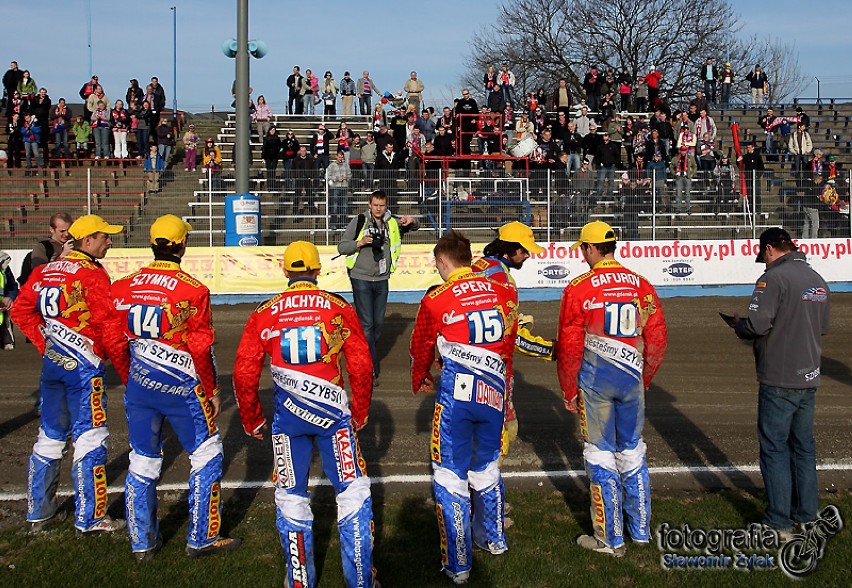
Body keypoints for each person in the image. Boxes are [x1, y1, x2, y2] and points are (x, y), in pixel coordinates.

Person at [233, 240, 378, 588]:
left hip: (288, 421)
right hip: (334, 417)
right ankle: (359, 579)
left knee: (291, 495)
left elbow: (244, 371)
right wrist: (359, 411)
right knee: (352, 491)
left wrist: (251, 417)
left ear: (285, 271)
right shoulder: (337, 307)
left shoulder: (265, 311)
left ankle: (299, 580)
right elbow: (360, 365)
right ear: (317, 271)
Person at [112, 215, 241, 561]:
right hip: (181, 388)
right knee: (207, 453)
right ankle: (202, 537)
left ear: (153, 244)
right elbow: (202, 348)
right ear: (183, 244)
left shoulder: (123, 286)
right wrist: (212, 390)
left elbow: (114, 341)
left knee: (142, 460)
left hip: (140, 387)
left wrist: (130, 377)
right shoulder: (193, 289)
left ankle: (142, 543)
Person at [409, 230, 518, 585]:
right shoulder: (502, 291)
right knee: (486, 468)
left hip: (456, 396)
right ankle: (494, 540)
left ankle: (458, 563)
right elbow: (509, 339)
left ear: (443, 262)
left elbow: (422, 344)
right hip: (494, 391)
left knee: (449, 476)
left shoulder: (437, 297)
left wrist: (420, 377)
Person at [11, 214, 130, 534]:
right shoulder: (92, 274)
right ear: (88, 240)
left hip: (54, 367)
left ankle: (39, 513)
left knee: (49, 438)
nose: (110, 241)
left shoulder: (44, 271)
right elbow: (111, 330)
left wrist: (45, 344)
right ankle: (91, 517)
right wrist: (127, 373)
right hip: (83, 370)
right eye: (106, 236)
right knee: (91, 439)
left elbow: (19, 310)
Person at [556, 220, 667, 557]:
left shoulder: (579, 287)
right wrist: (645, 377)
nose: (582, 254)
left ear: (591, 249)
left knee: (600, 455)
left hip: (596, 385)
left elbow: (570, 345)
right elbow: (657, 338)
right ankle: (642, 530)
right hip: (632, 381)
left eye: (583, 249)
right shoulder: (641, 285)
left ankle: (610, 538)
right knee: (633, 452)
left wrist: (568, 390)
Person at [730, 227, 829, 540]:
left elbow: (758, 325)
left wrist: (739, 326)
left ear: (770, 249)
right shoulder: (817, 279)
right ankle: (807, 516)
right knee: (803, 448)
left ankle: (778, 522)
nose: (764, 261)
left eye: (764, 256)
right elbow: (822, 327)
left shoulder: (772, 278)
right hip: (809, 373)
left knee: (774, 448)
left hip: (780, 376)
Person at [472, 222, 552, 462]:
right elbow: (509, 335)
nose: (527, 255)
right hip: (493, 366)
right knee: (505, 431)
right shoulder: (502, 279)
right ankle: (485, 492)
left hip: (468, 360)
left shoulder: (479, 266)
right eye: (524, 250)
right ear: (509, 250)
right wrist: (552, 349)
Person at [337, 190, 418, 387]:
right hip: (360, 278)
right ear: (369, 204)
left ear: (386, 205)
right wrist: (360, 243)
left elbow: (414, 227)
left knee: (378, 325)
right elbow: (342, 247)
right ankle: (370, 369)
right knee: (367, 325)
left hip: (382, 278)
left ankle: (363, 352)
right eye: (375, 205)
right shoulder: (358, 221)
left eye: (382, 205)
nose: (379, 209)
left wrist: (413, 221)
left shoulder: (392, 222)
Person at [18, 212, 73, 286]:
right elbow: (39, 272)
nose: (66, 234)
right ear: (52, 230)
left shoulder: (76, 244)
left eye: (68, 230)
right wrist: (62, 256)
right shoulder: (43, 247)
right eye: (62, 231)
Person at [326, 150, 351, 230]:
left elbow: (350, 175)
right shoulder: (332, 165)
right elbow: (327, 175)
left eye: (342, 157)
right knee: (335, 206)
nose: (340, 158)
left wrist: (346, 177)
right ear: (336, 156)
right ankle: (333, 223)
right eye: (339, 157)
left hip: (344, 187)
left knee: (344, 206)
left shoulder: (346, 165)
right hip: (335, 187)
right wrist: (336, 178)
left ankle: (343, 223)